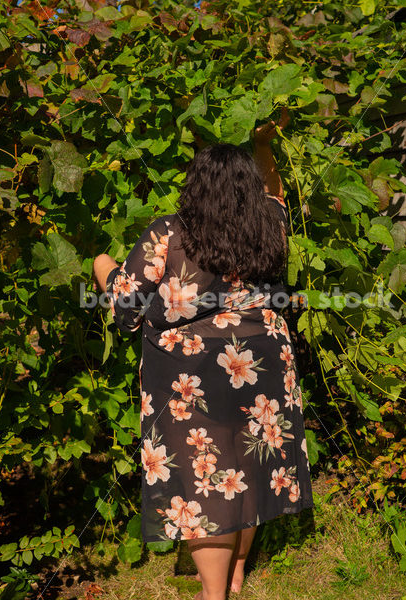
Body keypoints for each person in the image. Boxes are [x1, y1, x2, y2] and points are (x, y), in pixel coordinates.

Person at [93, 108, 313, 600]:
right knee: (251, 462)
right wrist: (264, 146)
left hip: (191, 370)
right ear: (249, 189)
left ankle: (216, 595)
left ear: (196, 186)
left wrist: (100, 265)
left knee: (207, 478)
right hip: (264, 361)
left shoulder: (168, 232)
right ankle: (236, 572)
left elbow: (128, 308)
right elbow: (275, 192)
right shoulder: (270, 223)